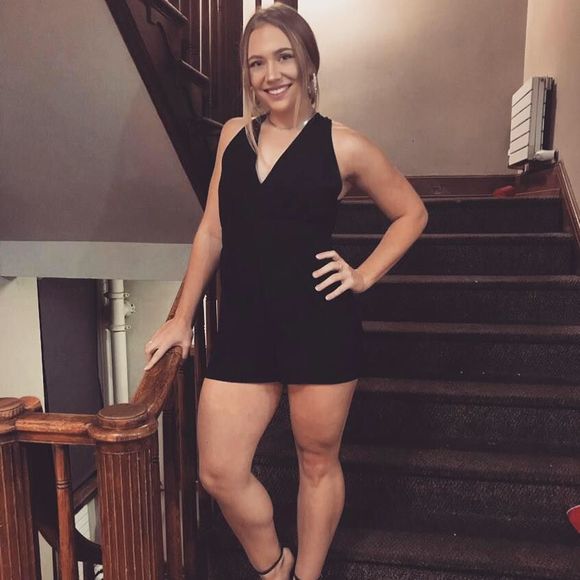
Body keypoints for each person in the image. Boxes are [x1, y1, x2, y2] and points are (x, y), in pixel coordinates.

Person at [144, 4, 428, 579]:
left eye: (283, 57)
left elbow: (412, 212)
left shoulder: (344, 145)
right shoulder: (233, 135)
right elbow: (212, 230)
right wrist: (181, 317)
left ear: (308, 62)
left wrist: (362, 274)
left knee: (316, 463)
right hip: (246, 326)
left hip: (319, 324)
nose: (270, 74)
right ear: (246, 73)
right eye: (256, 63)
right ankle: (274, 567)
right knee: (218, 470)